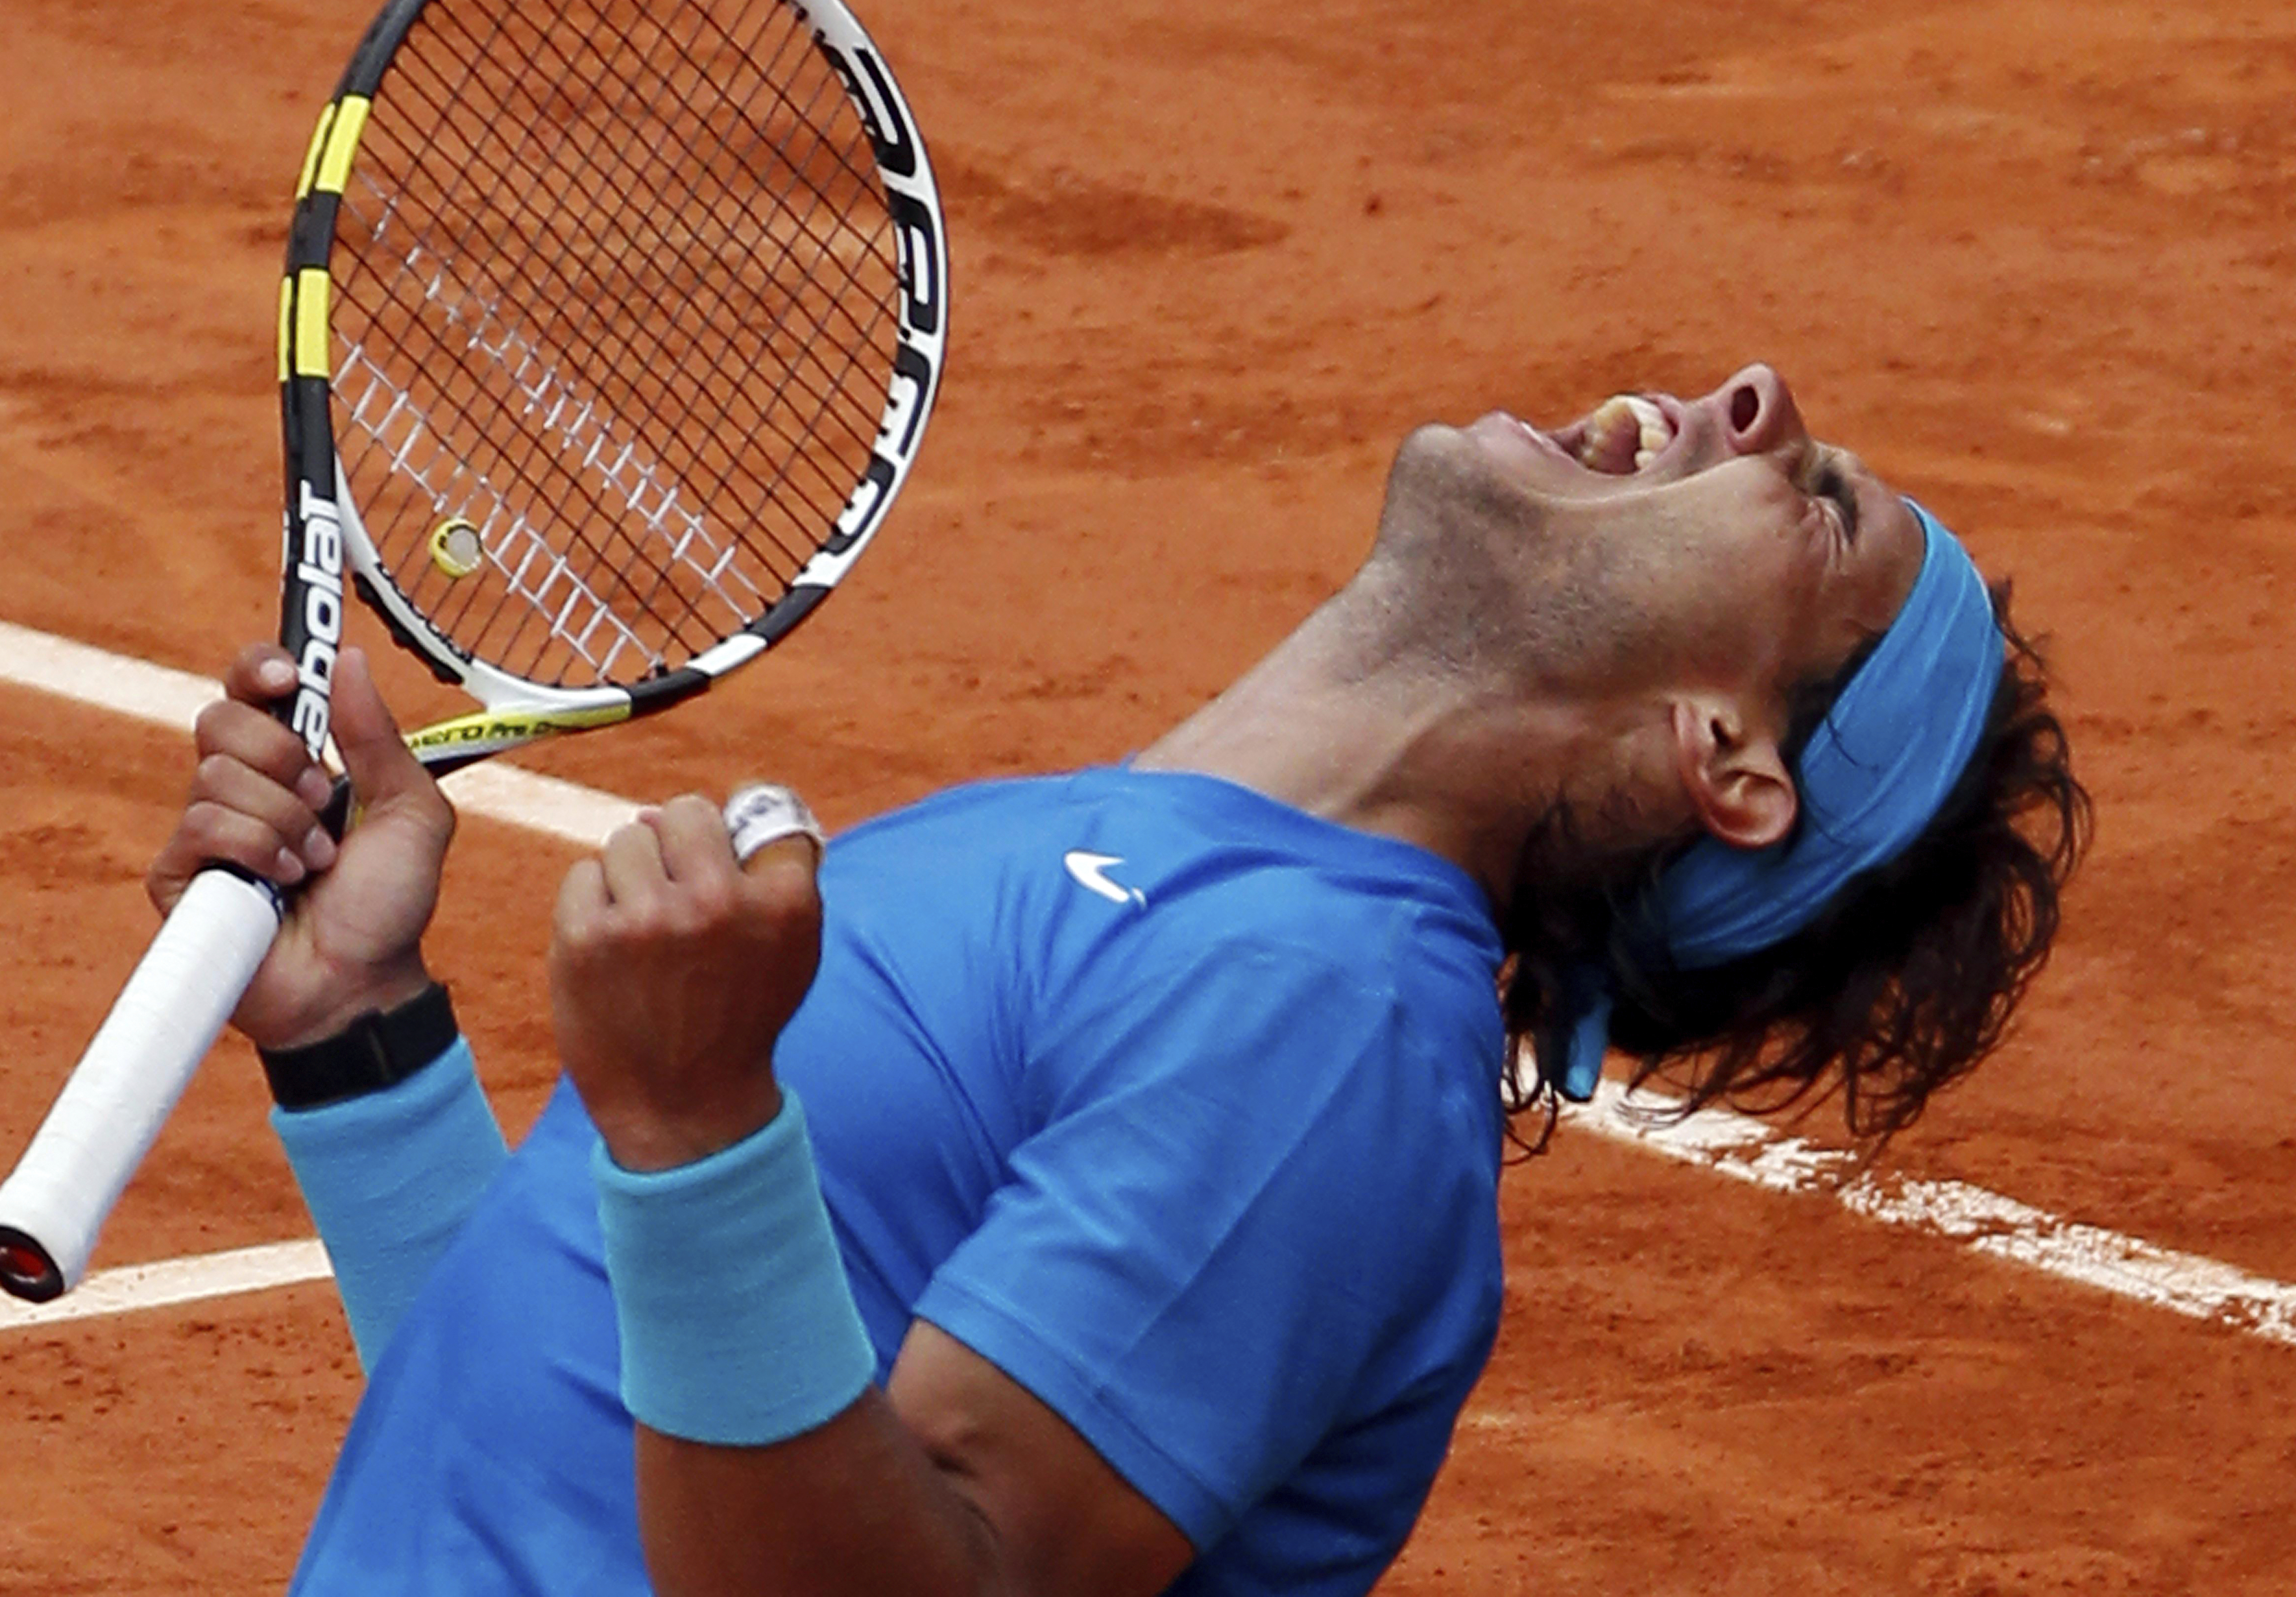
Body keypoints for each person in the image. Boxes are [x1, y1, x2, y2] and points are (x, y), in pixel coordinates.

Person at [154, 363, 2087, 1597]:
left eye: (1814, 500)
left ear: (1724, 754)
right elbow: (559, 1456)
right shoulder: (1148, 862)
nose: (1743, 394)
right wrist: (364, 1044)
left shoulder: (1319, 1028)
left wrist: (692, 1134)